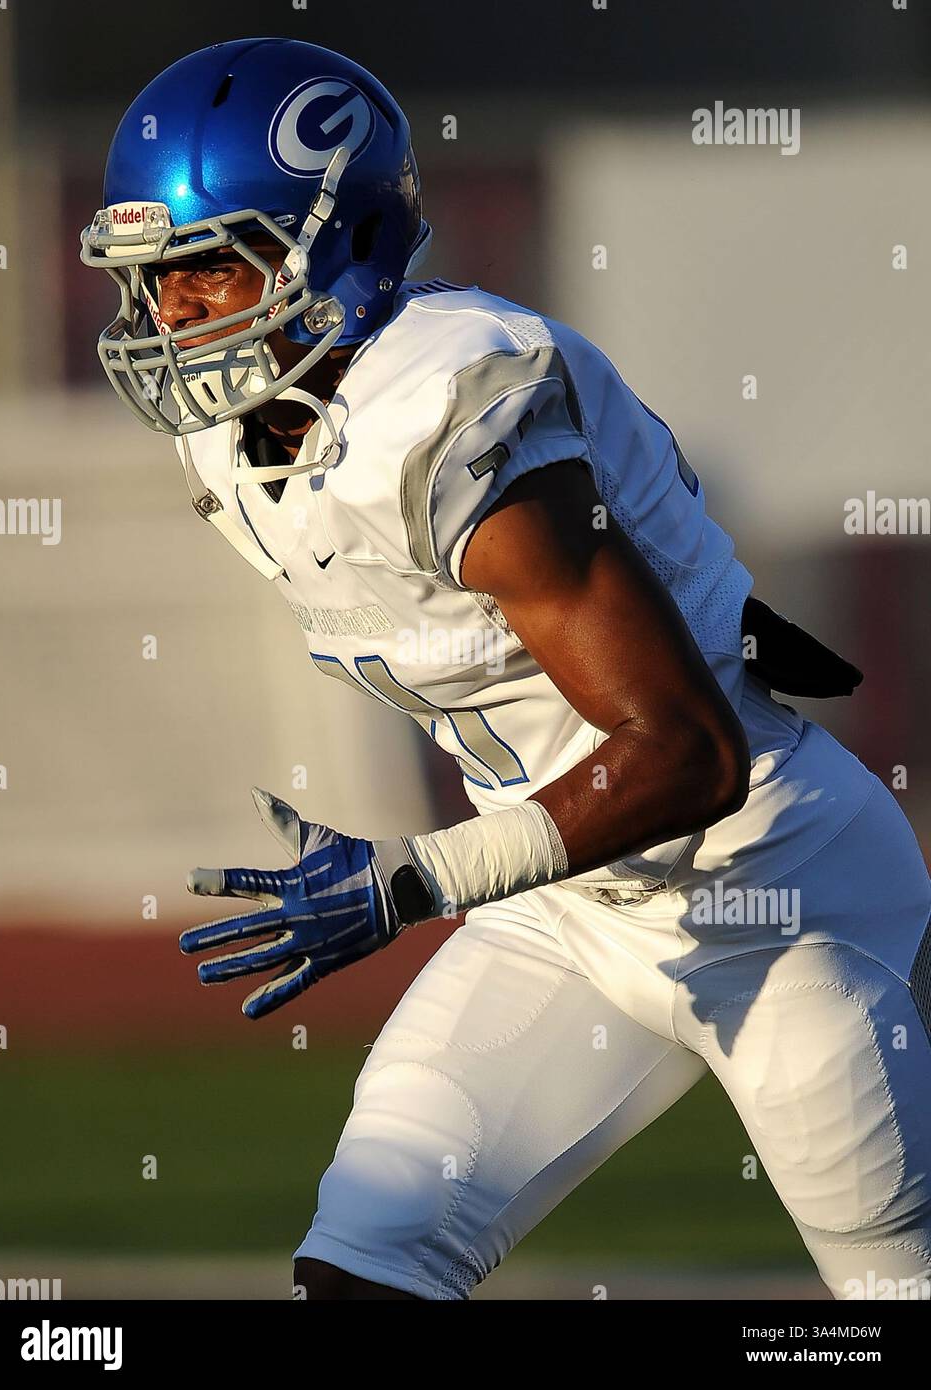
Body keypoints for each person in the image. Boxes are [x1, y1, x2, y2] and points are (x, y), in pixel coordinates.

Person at [81, 37, 931, 1301]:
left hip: (771, 891)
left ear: (338, 244)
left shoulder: (441, 403)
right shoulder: (237, 441)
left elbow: (685, 750)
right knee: (364, 1273)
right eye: (152, 281)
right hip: (563, 906)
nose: (172, 315)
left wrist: (411, 882)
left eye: (207, 268)